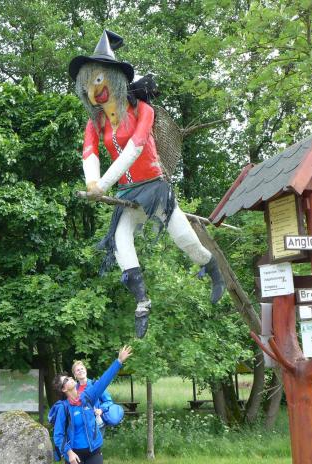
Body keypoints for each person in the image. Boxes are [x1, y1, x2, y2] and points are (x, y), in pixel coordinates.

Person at [68, 30, 225, 339]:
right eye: (87, 85)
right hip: (127, 193)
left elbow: (135, 148)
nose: (93, 90)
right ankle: (142, 302)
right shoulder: (95, 123)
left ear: (114, 79)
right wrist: (91, 180)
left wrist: (103, 184)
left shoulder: (143, 111)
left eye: (97, 80)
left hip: (154, 187)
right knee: (121, 241)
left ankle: (212, 267)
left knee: (186, 240)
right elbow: (89, 152)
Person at [52, 345, 132, 464]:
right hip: (74, 456)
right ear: (64, 389)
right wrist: (68, 452)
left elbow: (103, 381)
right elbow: (58, 436)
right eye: (66, 380)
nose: (71, 379)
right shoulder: (63, 408)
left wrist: (118, 361)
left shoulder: (87, 397)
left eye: (69, 377)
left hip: (94, 452)